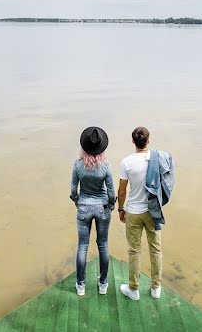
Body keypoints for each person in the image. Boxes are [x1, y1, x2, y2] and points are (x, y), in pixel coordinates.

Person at [118, 126, 173, 301]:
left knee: (134, 251)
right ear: (148, 141)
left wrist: (120, 209)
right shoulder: (158, 159)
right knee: (155, 249)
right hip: (153, 211)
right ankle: (156, 287)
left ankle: (133, 289)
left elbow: (121, 191)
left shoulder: (126, 162)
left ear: (133, 141)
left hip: (133, 213)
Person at [70, 126, 116, 296]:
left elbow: (74, 190)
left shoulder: (77, 165)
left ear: (84, 147)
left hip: (83, 207)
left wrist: (76, 201)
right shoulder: (106, 166)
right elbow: (111, 191)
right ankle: (103, 284)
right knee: (103, 245)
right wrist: (111, 205)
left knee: (82, 246)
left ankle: (80, 285)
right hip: (103, 208)